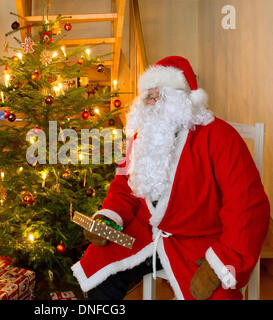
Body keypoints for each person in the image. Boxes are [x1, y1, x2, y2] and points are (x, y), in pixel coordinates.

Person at [71, 56, 270, 300]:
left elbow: (247, 207)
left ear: (183, 98)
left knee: (216, 295)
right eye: (148, 95)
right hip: (144, 233)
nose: (151, 100)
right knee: (100, 274)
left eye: (160, 94)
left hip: (199, 241)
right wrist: (109, 219)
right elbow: (124, 187)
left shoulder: (220, 137)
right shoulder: (141, 138)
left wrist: (222, 261)